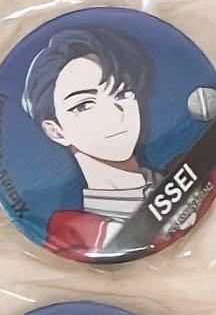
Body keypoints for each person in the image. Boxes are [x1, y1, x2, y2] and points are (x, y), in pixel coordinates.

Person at [21, 24, 211, 259]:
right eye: (84, 105)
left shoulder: (196, 170)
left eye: (121, 93)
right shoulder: (76, 234)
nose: (115, 113)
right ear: (56, 131)